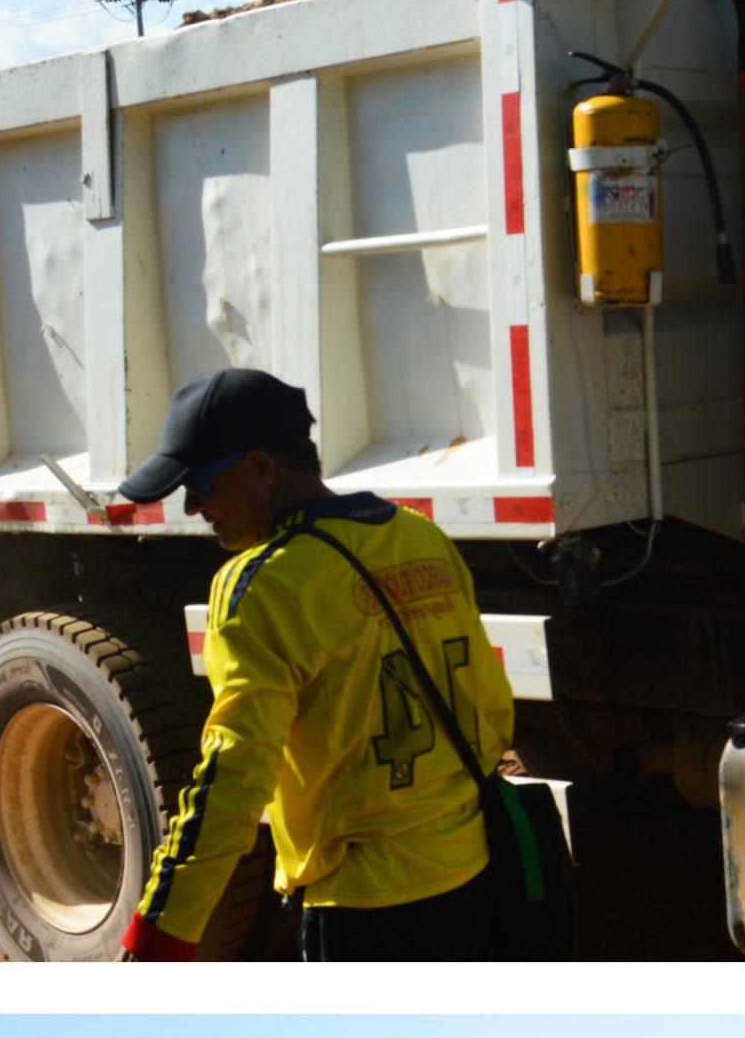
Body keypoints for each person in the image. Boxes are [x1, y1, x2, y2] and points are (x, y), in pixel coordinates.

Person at [114, 366, 513, 964]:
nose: (193, 507)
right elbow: (491, 710)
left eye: (198, 483)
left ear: (261, 468)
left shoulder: (262, 586)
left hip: (365, 908)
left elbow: (235, 777)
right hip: (472, 877)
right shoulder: (420, 537)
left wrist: (159, 939)